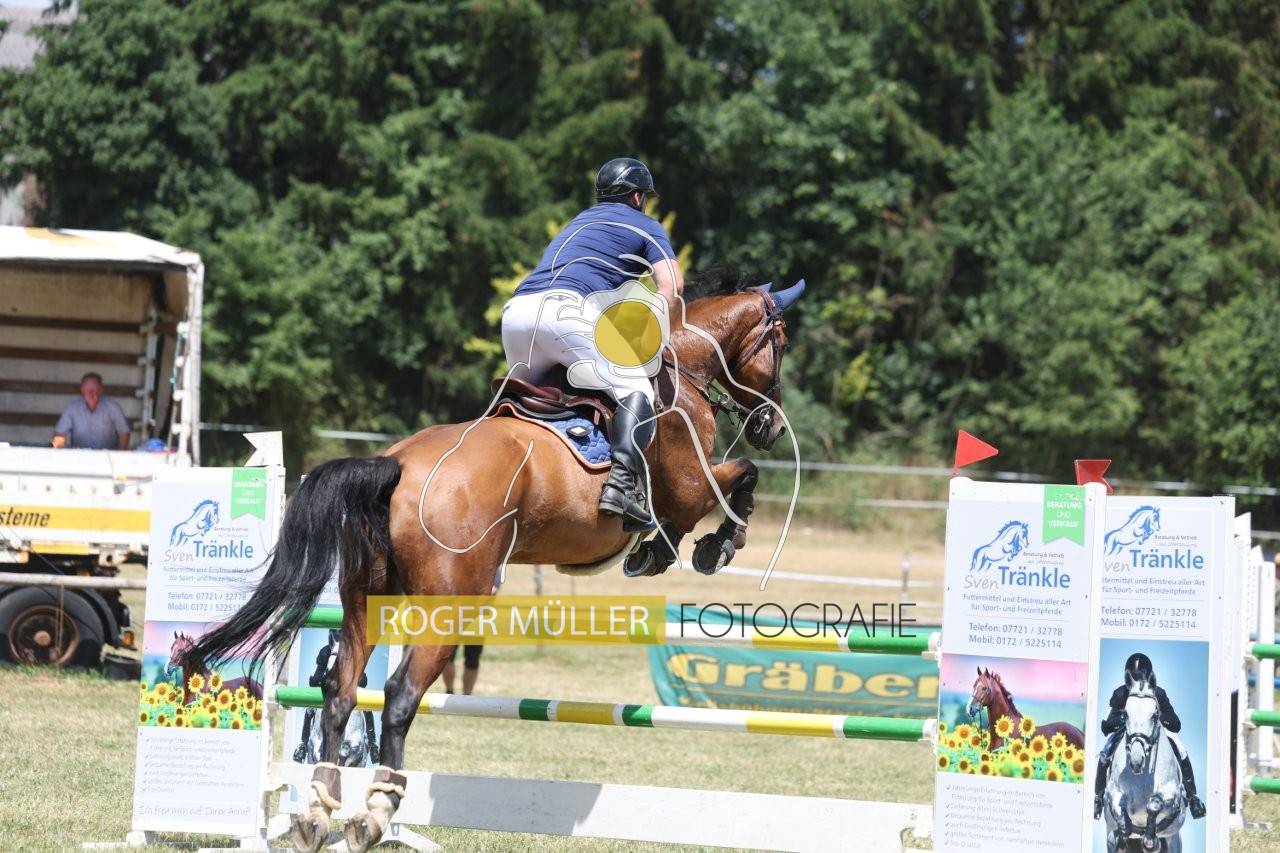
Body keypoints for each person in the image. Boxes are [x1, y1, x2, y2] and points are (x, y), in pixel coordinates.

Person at [500, 157, 683, 534]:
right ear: (637, 197)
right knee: (637, 389)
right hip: (565, 312)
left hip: (516, 314)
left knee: (524, 403)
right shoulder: (646, 225)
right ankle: (621, 486)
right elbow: (672, 287)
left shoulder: (579, 221)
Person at [1093, 652, 1205, 819]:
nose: (1138, 681)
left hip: (1153, 730)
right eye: (1134, 677)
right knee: (1105, 752)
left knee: (1180, 748)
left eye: (1141, 677)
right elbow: (1106, 726)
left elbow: (1176, 724)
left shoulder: (1158, 694)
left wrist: (1160, 717)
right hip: (1128, 731)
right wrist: (1123, 718)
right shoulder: (1120, 694)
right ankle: (1098, 798)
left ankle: (1192, 797)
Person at [51, 372, 130, 450]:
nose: (91, 394)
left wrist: (119, 455)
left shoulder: (112, 407)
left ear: (101, 390)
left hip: (107, 455)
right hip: (79, 455)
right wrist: (57, 453)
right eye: (88, 390)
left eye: (94, 390)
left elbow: (124, 433)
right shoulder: (72, 408)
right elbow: (59, 434)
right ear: (82, 390)